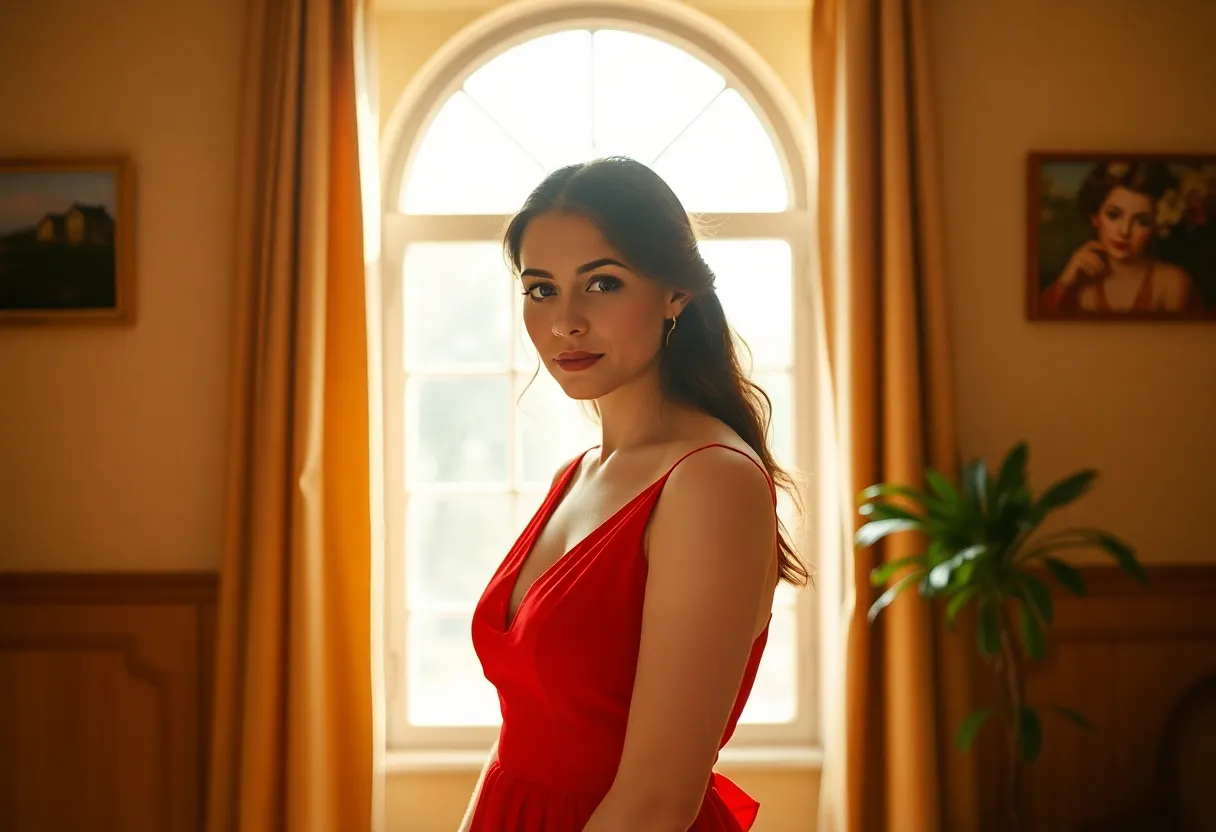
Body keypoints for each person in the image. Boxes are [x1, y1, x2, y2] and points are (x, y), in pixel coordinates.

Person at [458, 156, 809, 832]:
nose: (565, 322)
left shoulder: (710, 481)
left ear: (676, 292)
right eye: (540, 290)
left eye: (603, 284)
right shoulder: (579, 473)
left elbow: (657, 800)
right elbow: (516, 740)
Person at [1040, 160, 1200, 314]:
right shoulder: (1079, 285)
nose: (1124, 231)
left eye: (1142, 221)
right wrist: (1065, 282)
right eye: (1114, 215)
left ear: (1156, 226)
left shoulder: (1172, 283)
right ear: (1095, 216)